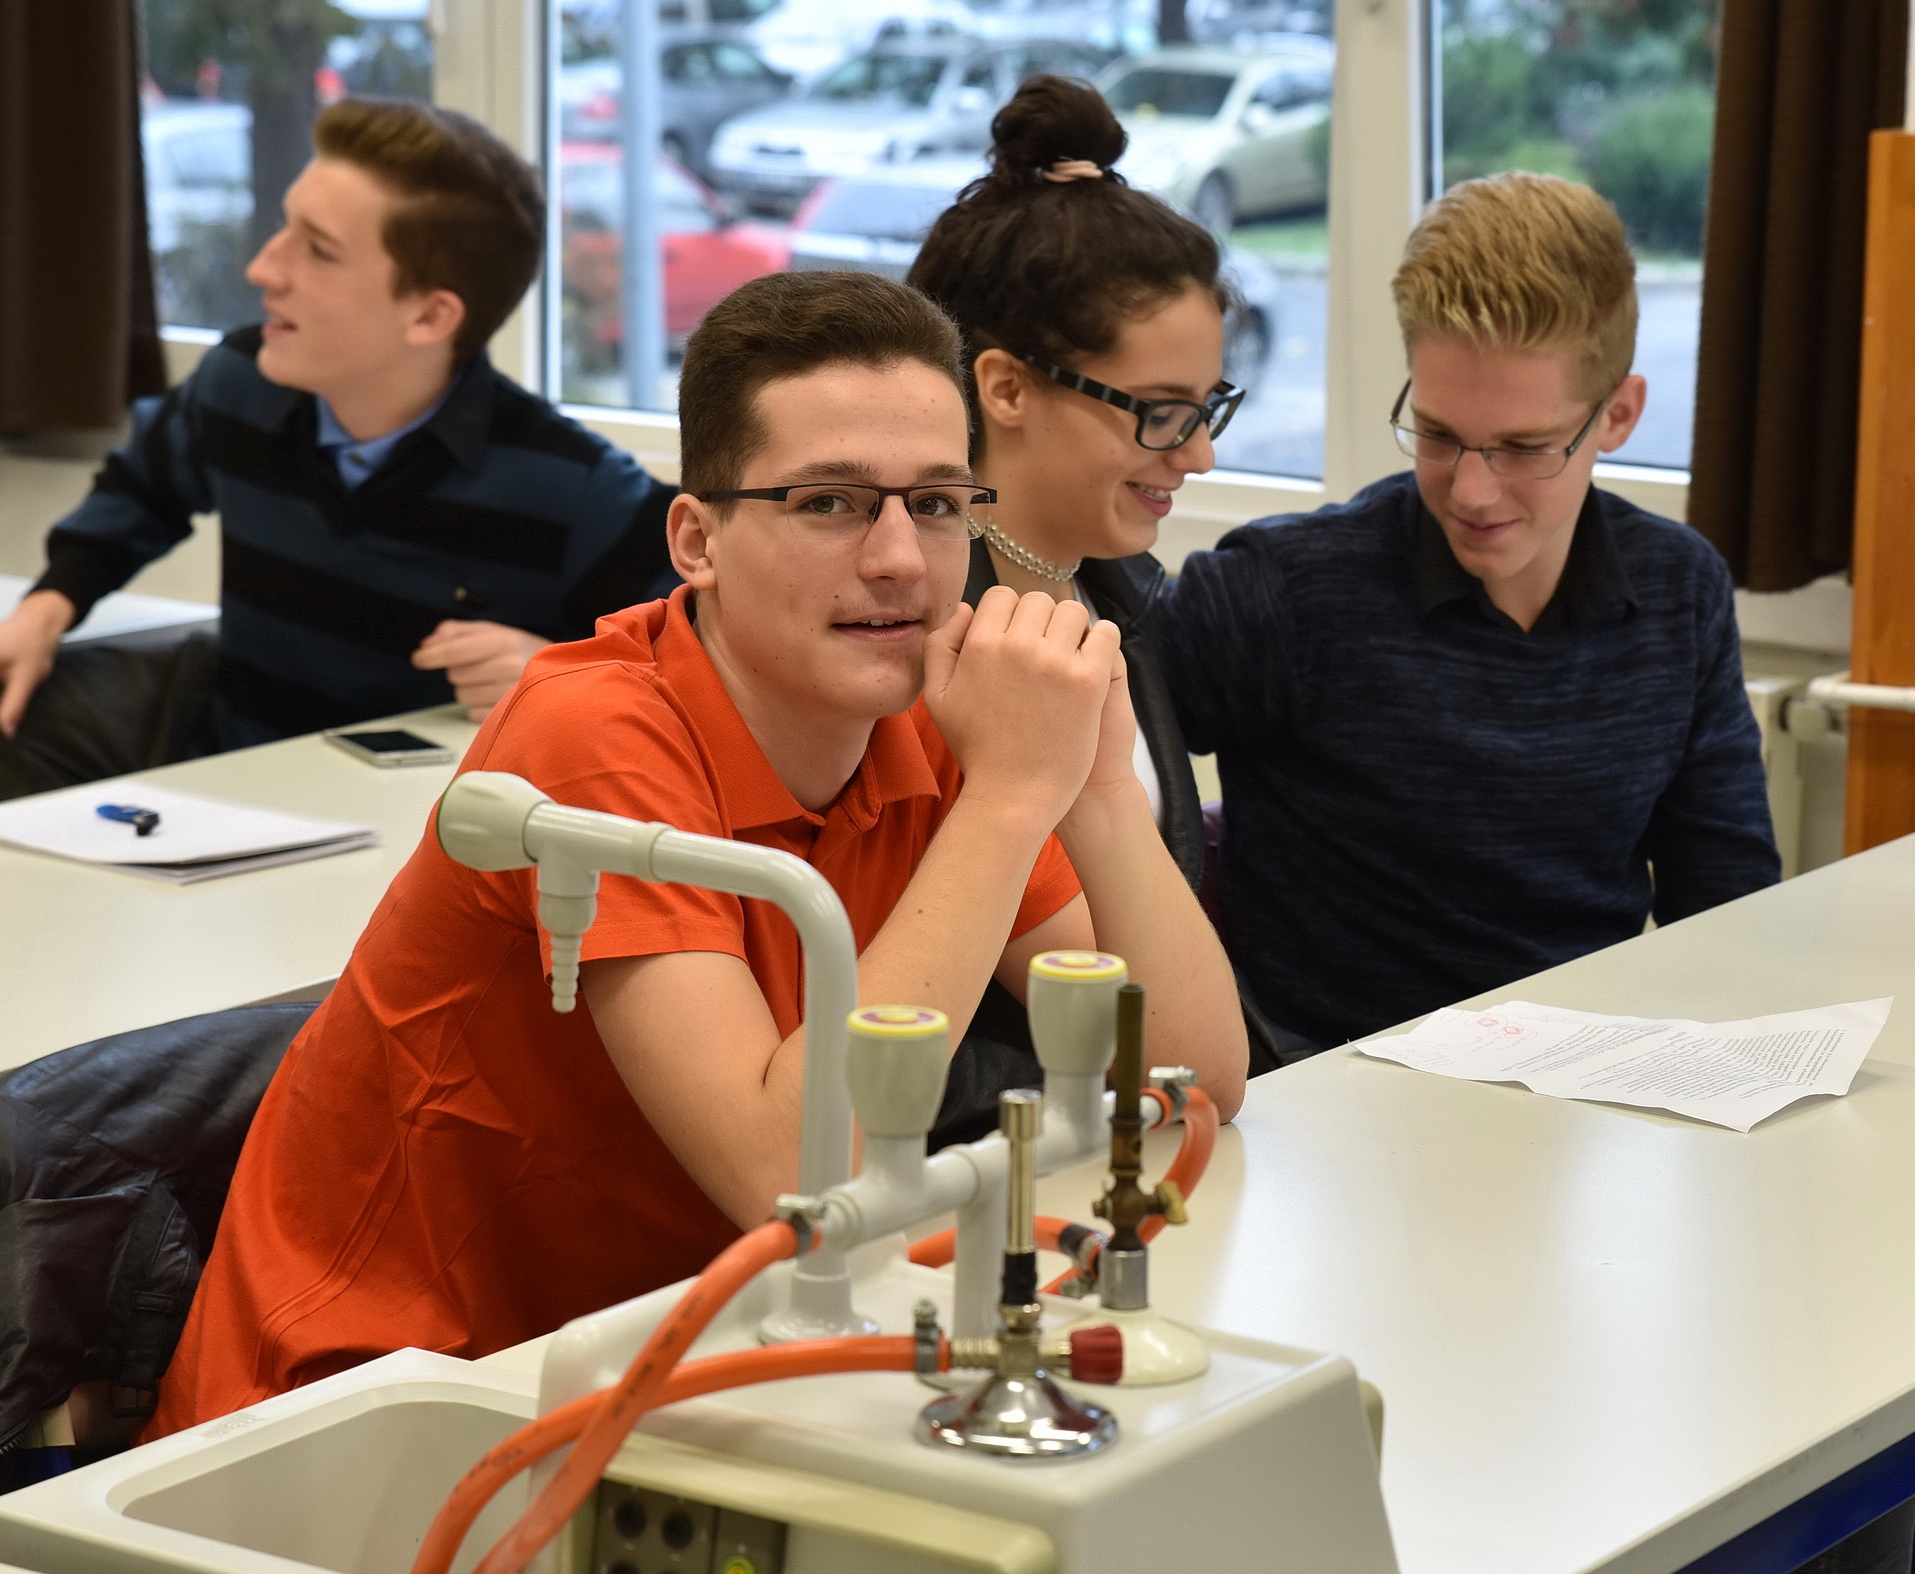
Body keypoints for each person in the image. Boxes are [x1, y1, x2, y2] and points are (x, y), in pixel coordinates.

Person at [144, 271, 1247, 1435]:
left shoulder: (930, 716)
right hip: (378, 1397)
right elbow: (795, 1179)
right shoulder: (590, 735)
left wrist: (1094, 788)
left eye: (934, 503)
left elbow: (1191, 1080)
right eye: (828, 503)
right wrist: (1015, 798)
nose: (898, 559)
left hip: (681, 1355)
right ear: (695, 540)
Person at [1160, 171, 1779, 1058]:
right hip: (1325, 1087)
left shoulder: (1679, 590)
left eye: (1524, 447)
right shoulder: (1282, 590)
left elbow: (1724, 907)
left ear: (1618, 415)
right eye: (1439, 435)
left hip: (1579, 1086)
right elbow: (1084, 767)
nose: (1473, 492)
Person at [0, 98, 676, 764]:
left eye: (317, 250)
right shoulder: (239, 383)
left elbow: (709, 665)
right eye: (285, 227)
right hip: (235, 800)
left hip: (425, 849)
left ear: (428, 315)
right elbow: (141, 492)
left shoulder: (574, 486)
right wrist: (41, 614)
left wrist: (564, 677)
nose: (262, 268)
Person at [901, 75, 1287, 1116]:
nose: (1198, 454)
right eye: (1159, 412)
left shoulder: (1116, 590)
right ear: (1006, 387)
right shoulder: (932, 635)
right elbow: (1144, 1035)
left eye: (1208, 408)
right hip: (999, 1155)